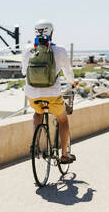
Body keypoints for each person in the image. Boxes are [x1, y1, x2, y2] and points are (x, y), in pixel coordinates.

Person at [21, 19, 78, 164]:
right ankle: (65, 154)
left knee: (37, 113)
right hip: (52, 94)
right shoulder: (60, 50)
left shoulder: (28, 49)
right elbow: (68, 71)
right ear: (51, 32)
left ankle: (35, 142)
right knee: (63, 120)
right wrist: (72, 82)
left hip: (32, 94)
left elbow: (23, 71)